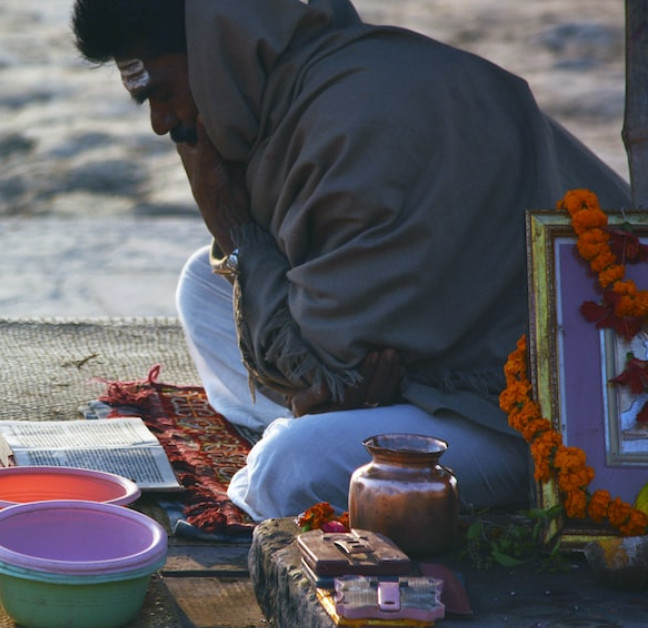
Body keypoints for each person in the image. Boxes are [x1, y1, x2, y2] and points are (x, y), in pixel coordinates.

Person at [71, 0, 632, 522]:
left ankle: (269, 462)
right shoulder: (306, 85)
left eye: (162, 93)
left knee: (287, 469)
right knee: (204, 282)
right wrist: (340, 385)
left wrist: (234, 228)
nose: (161, 122)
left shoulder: (347, 124)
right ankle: (316, 426)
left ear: (217, 53)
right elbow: (341, 367)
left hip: (547, 418)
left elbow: (325, 369)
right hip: (435, 359)